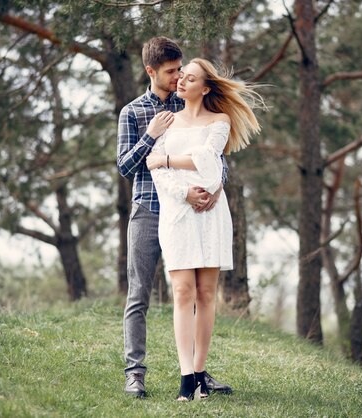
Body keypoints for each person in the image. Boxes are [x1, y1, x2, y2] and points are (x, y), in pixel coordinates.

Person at [117, 37, 232, 398]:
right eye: (170, 72)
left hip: (194, 211)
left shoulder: (195, 106)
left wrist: (213, 190)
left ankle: (198, 373)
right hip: (149, 210)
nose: (177, 76)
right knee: (139, 294)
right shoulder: (133, 112)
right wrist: (150, 137)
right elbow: (125, 166)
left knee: (198, 292)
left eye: (180, 70)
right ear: (150, 71)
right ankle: (135, 373)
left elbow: (218, 161)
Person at [146, 58, 263, 401]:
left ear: (206, 87)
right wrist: (184, 190)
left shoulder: (220, 121)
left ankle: (200, 372)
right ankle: (186, 378)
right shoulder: (166, 122)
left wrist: (167, 159)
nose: (181, 81)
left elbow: (210, 163)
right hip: (178, 211)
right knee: (183, 292)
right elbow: (156, 173)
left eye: (190, 78)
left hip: (212, 213)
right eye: (181, 76)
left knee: (206, 294)